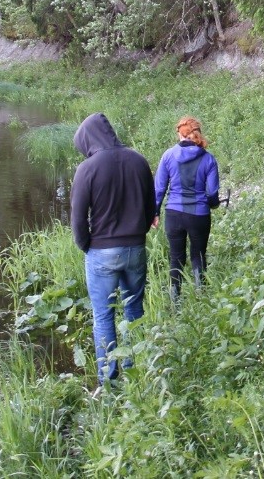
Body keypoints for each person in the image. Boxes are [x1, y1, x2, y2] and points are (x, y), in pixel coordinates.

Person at [70, 112, 156, 387]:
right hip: (136, 248)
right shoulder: (138, 160)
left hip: (101, 252)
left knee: (104, 316)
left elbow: (77, 216)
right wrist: (138, 234)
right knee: (134, 311)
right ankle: (134, 372)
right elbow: (149, 206)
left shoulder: (88, 168)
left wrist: (87, 246)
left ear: (88, 140)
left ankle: (109, 381)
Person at [155, 116, 221, 302]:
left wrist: (155, 212)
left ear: (180, 134)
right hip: (199, 215)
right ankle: (202, 300)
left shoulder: (168, 155)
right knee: (198, 256)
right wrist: (214, 204)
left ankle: (175, 303)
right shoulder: (208, 159)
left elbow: (159, 188)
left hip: (174, 215)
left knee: (176, 258)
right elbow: (212, 192)